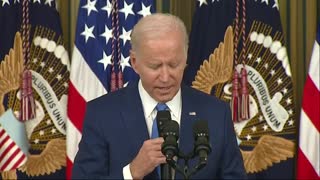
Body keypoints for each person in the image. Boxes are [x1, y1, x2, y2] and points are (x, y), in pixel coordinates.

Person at [72, 13, 247, 179]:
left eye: (173, 65)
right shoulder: (102, 114)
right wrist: (131, 173)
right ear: (134, 62)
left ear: (185, 58)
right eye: (155, 67)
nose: (165, 77)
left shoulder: (216, 113)